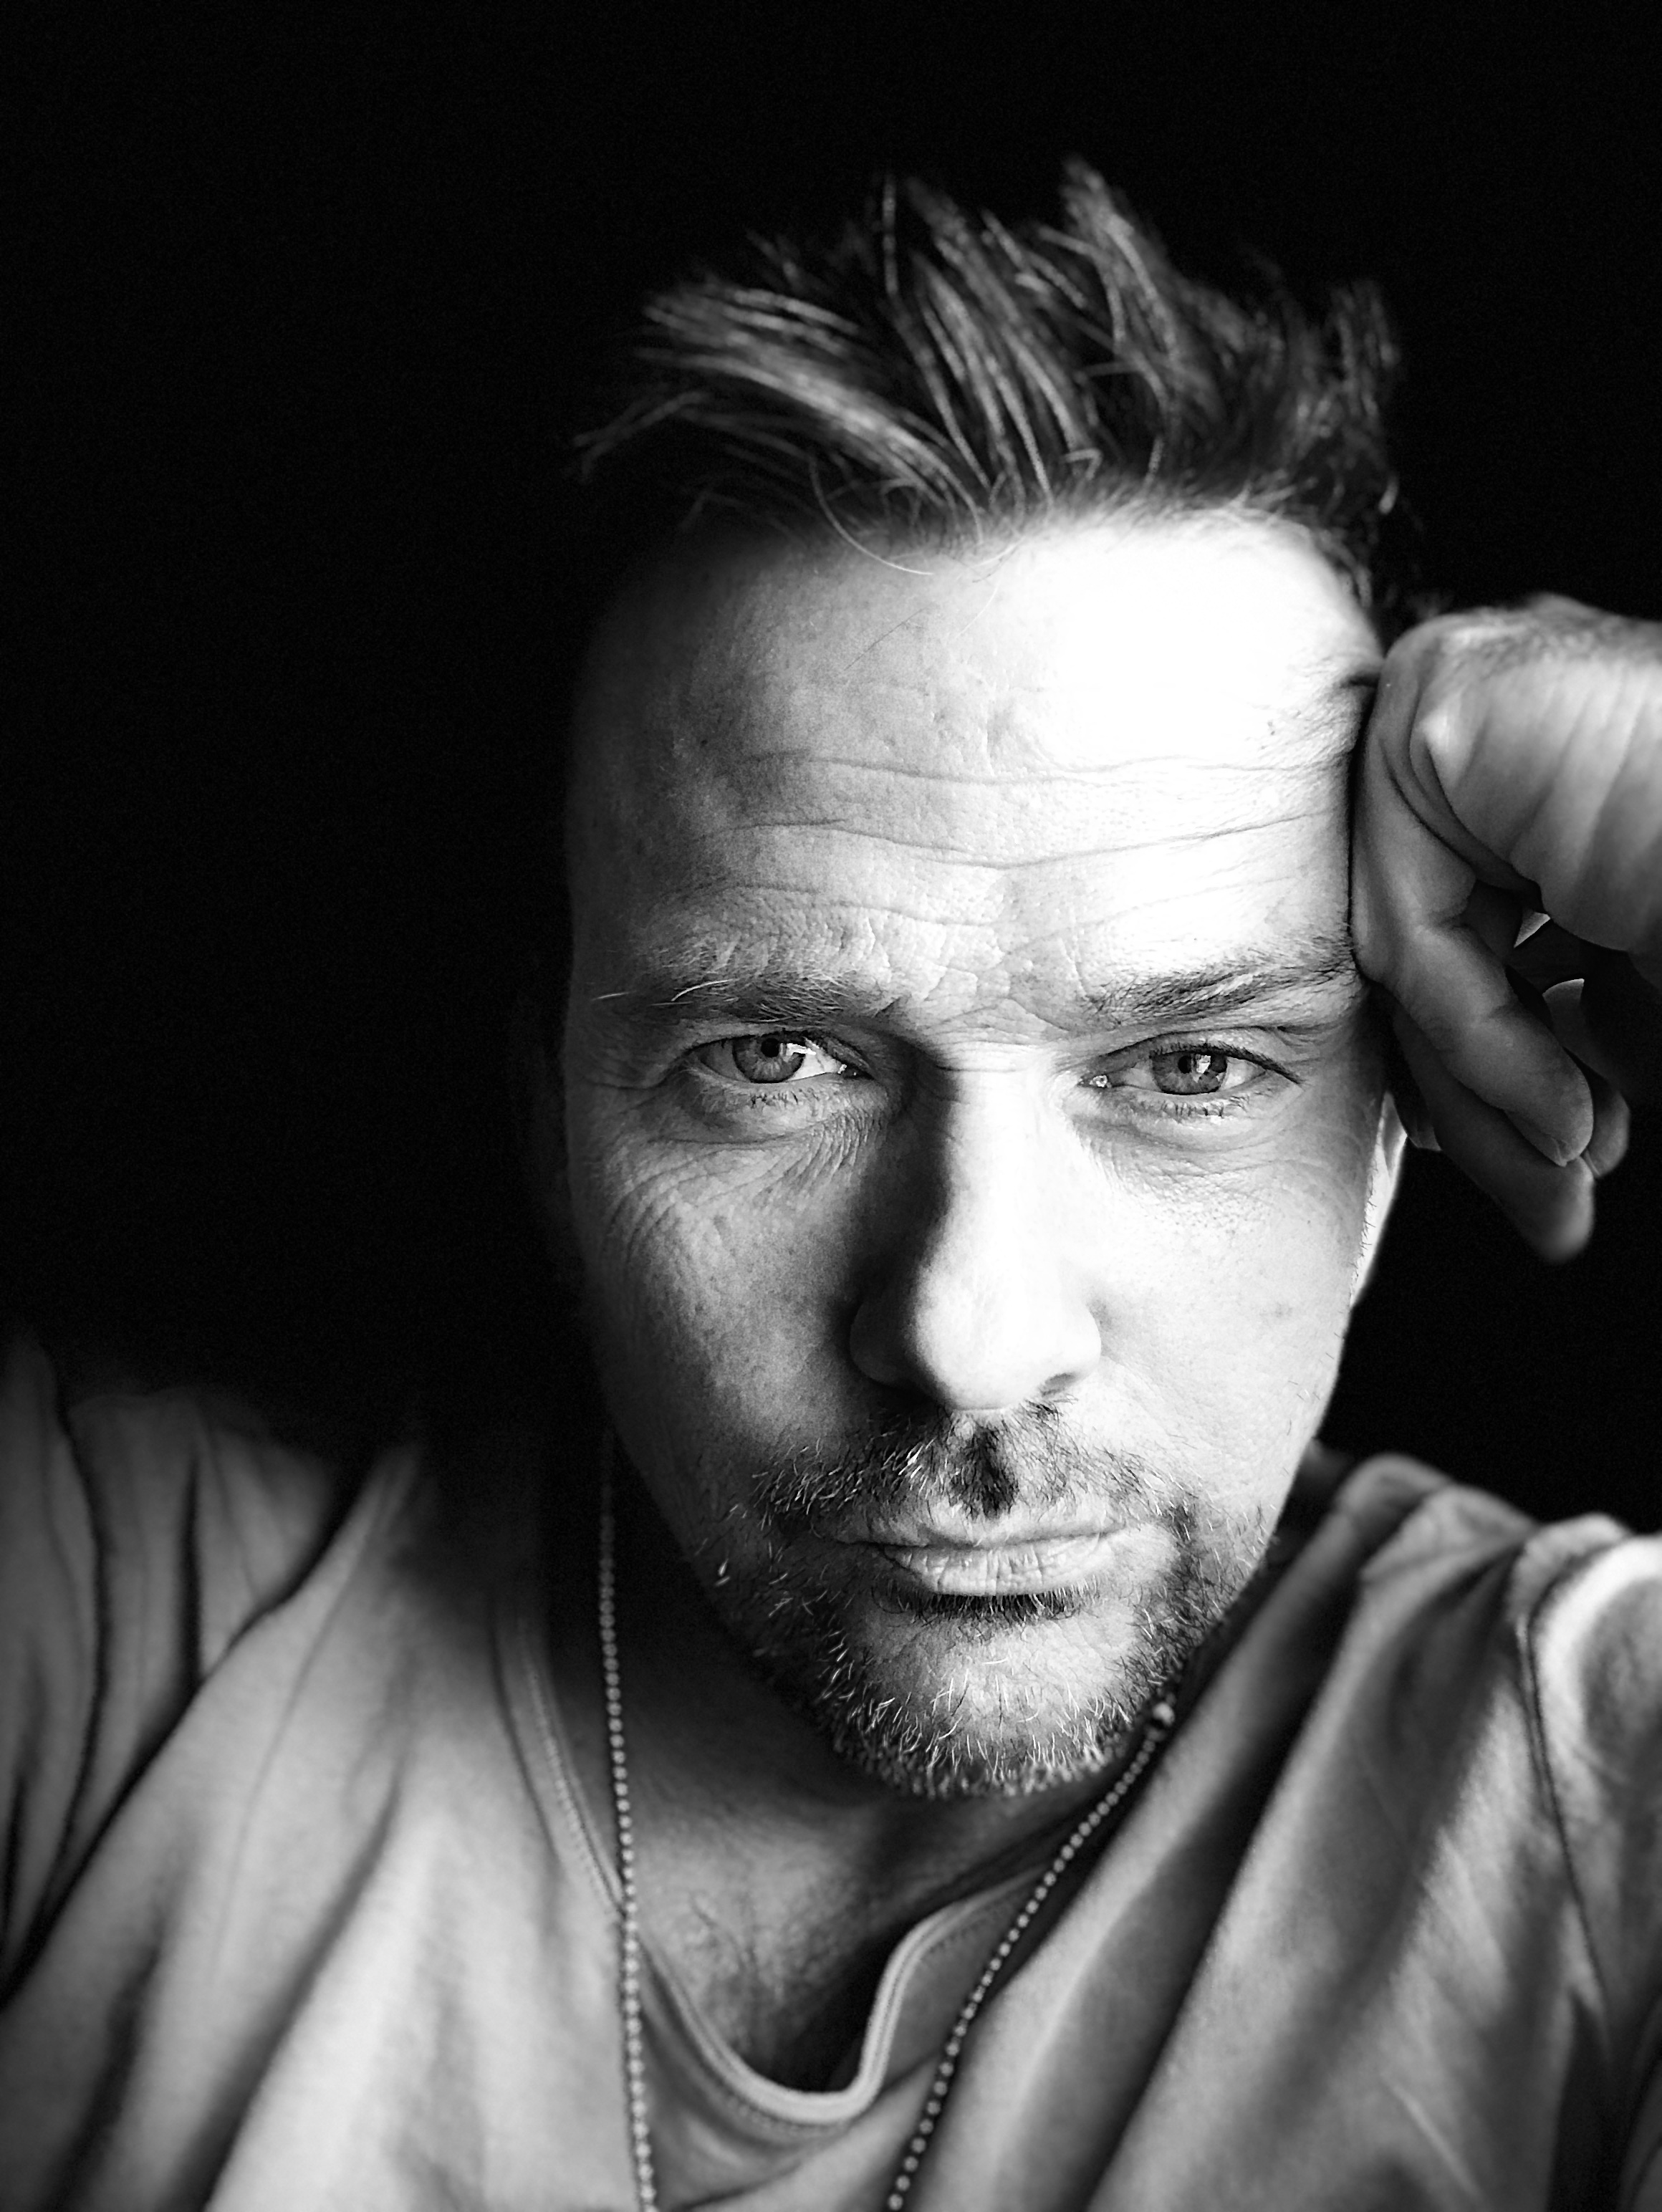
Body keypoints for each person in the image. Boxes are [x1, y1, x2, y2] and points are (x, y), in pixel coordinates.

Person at [3, 161, 1660, 2211]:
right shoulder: (104, 1632)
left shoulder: (1599, 1801)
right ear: (546, 1116)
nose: (972, 1334)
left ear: (1399, 1126)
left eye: (1192, 1067)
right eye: (776, 1061)